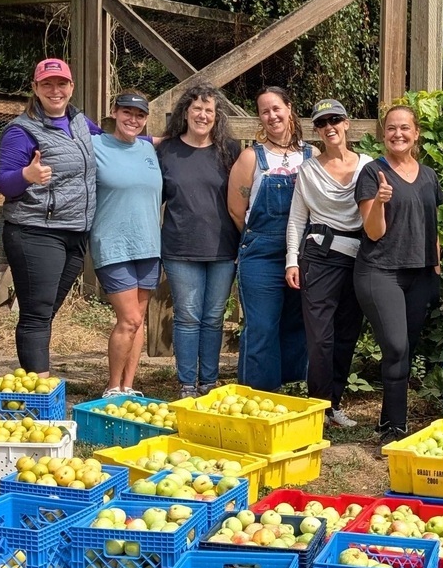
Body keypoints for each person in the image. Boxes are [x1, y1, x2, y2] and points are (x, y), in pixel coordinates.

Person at [0, 58, 99, 375]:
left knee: (46, 310)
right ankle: (39, 388)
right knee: (37, 313)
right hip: (36, 232)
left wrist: (156, 143)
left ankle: (34, 381)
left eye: (61, 83)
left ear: (71, 86)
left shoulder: (80, 121)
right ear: (35, 88)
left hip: (74, 233)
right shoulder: (22, 130)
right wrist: (27, 174)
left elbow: (111, 144)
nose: (55, 90)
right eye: (47, 84)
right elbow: (4, 182)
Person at [354, 104, 443, 442]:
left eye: (405, 128)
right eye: (391, 128)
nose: (398, 134)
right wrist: (379, 201)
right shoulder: (372, 174)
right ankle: (397, 429)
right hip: (380, 271)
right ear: (383, 134)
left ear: (416, 133)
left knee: (406, 348)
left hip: (419, 274)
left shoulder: (429, 175)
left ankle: (385, 420)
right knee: (394, 346)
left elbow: (430, 226)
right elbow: (373, 232)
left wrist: (434, 268)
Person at [285, 99, 372, 428]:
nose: (330, 127)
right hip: (318, 256)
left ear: (347, 123)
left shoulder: (368, 165)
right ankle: (318, 407)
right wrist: (291, 261)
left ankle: (334, 405)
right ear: (317, 131)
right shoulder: (308, 170)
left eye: (335, 119)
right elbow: (296, 219)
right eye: (322, 123)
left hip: (359, 257)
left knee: (347, 334)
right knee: (319, 337)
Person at [159, 83, 240, 399]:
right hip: (180, 248)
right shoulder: (167, 150)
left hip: (223, 248)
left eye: (209, 110)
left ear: (216, 115)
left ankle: (209, 382)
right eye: (197, 109)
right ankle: (187, 385)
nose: (203, 115)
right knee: (188, 317)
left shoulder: (230, 150)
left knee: (213, 317)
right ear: (186, 112)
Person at [229, 86, 312, 391]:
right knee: (262, 326)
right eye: (265, 111)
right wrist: (260, 240)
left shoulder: (311, 155)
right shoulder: (252, 157)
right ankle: (258, 393)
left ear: (289, 109)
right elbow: (237, 210)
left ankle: (290, 389)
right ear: (260, 118)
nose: (272, 115)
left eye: (276, 108)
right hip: (261, 254)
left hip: (302, 253)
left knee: (296, 324)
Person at [90, 91, 159, 397]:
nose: (133, 120)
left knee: (138, 320)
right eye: (127, 113)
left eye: (140, 115)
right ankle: (111, 388)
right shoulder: (95, 145)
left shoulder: (148, 149)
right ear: (114, 113)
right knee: (128, 319)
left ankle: (128, 386)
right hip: (113, 244)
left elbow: (181, 139)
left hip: (149, 244)